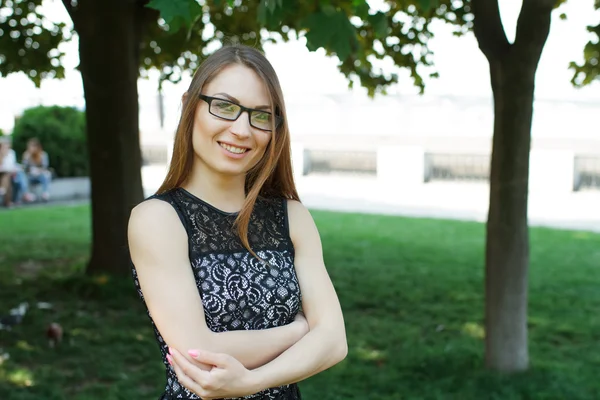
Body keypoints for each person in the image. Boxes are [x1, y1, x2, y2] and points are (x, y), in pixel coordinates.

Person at [128, 44, 347, 400]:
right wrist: (301, 331)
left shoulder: (291, 216)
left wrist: (251, 381)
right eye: (225, 107)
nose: (242, 130)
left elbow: (334, 341)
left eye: (261, 116)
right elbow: (198, 352)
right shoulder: (158, 219)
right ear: (189, 106)